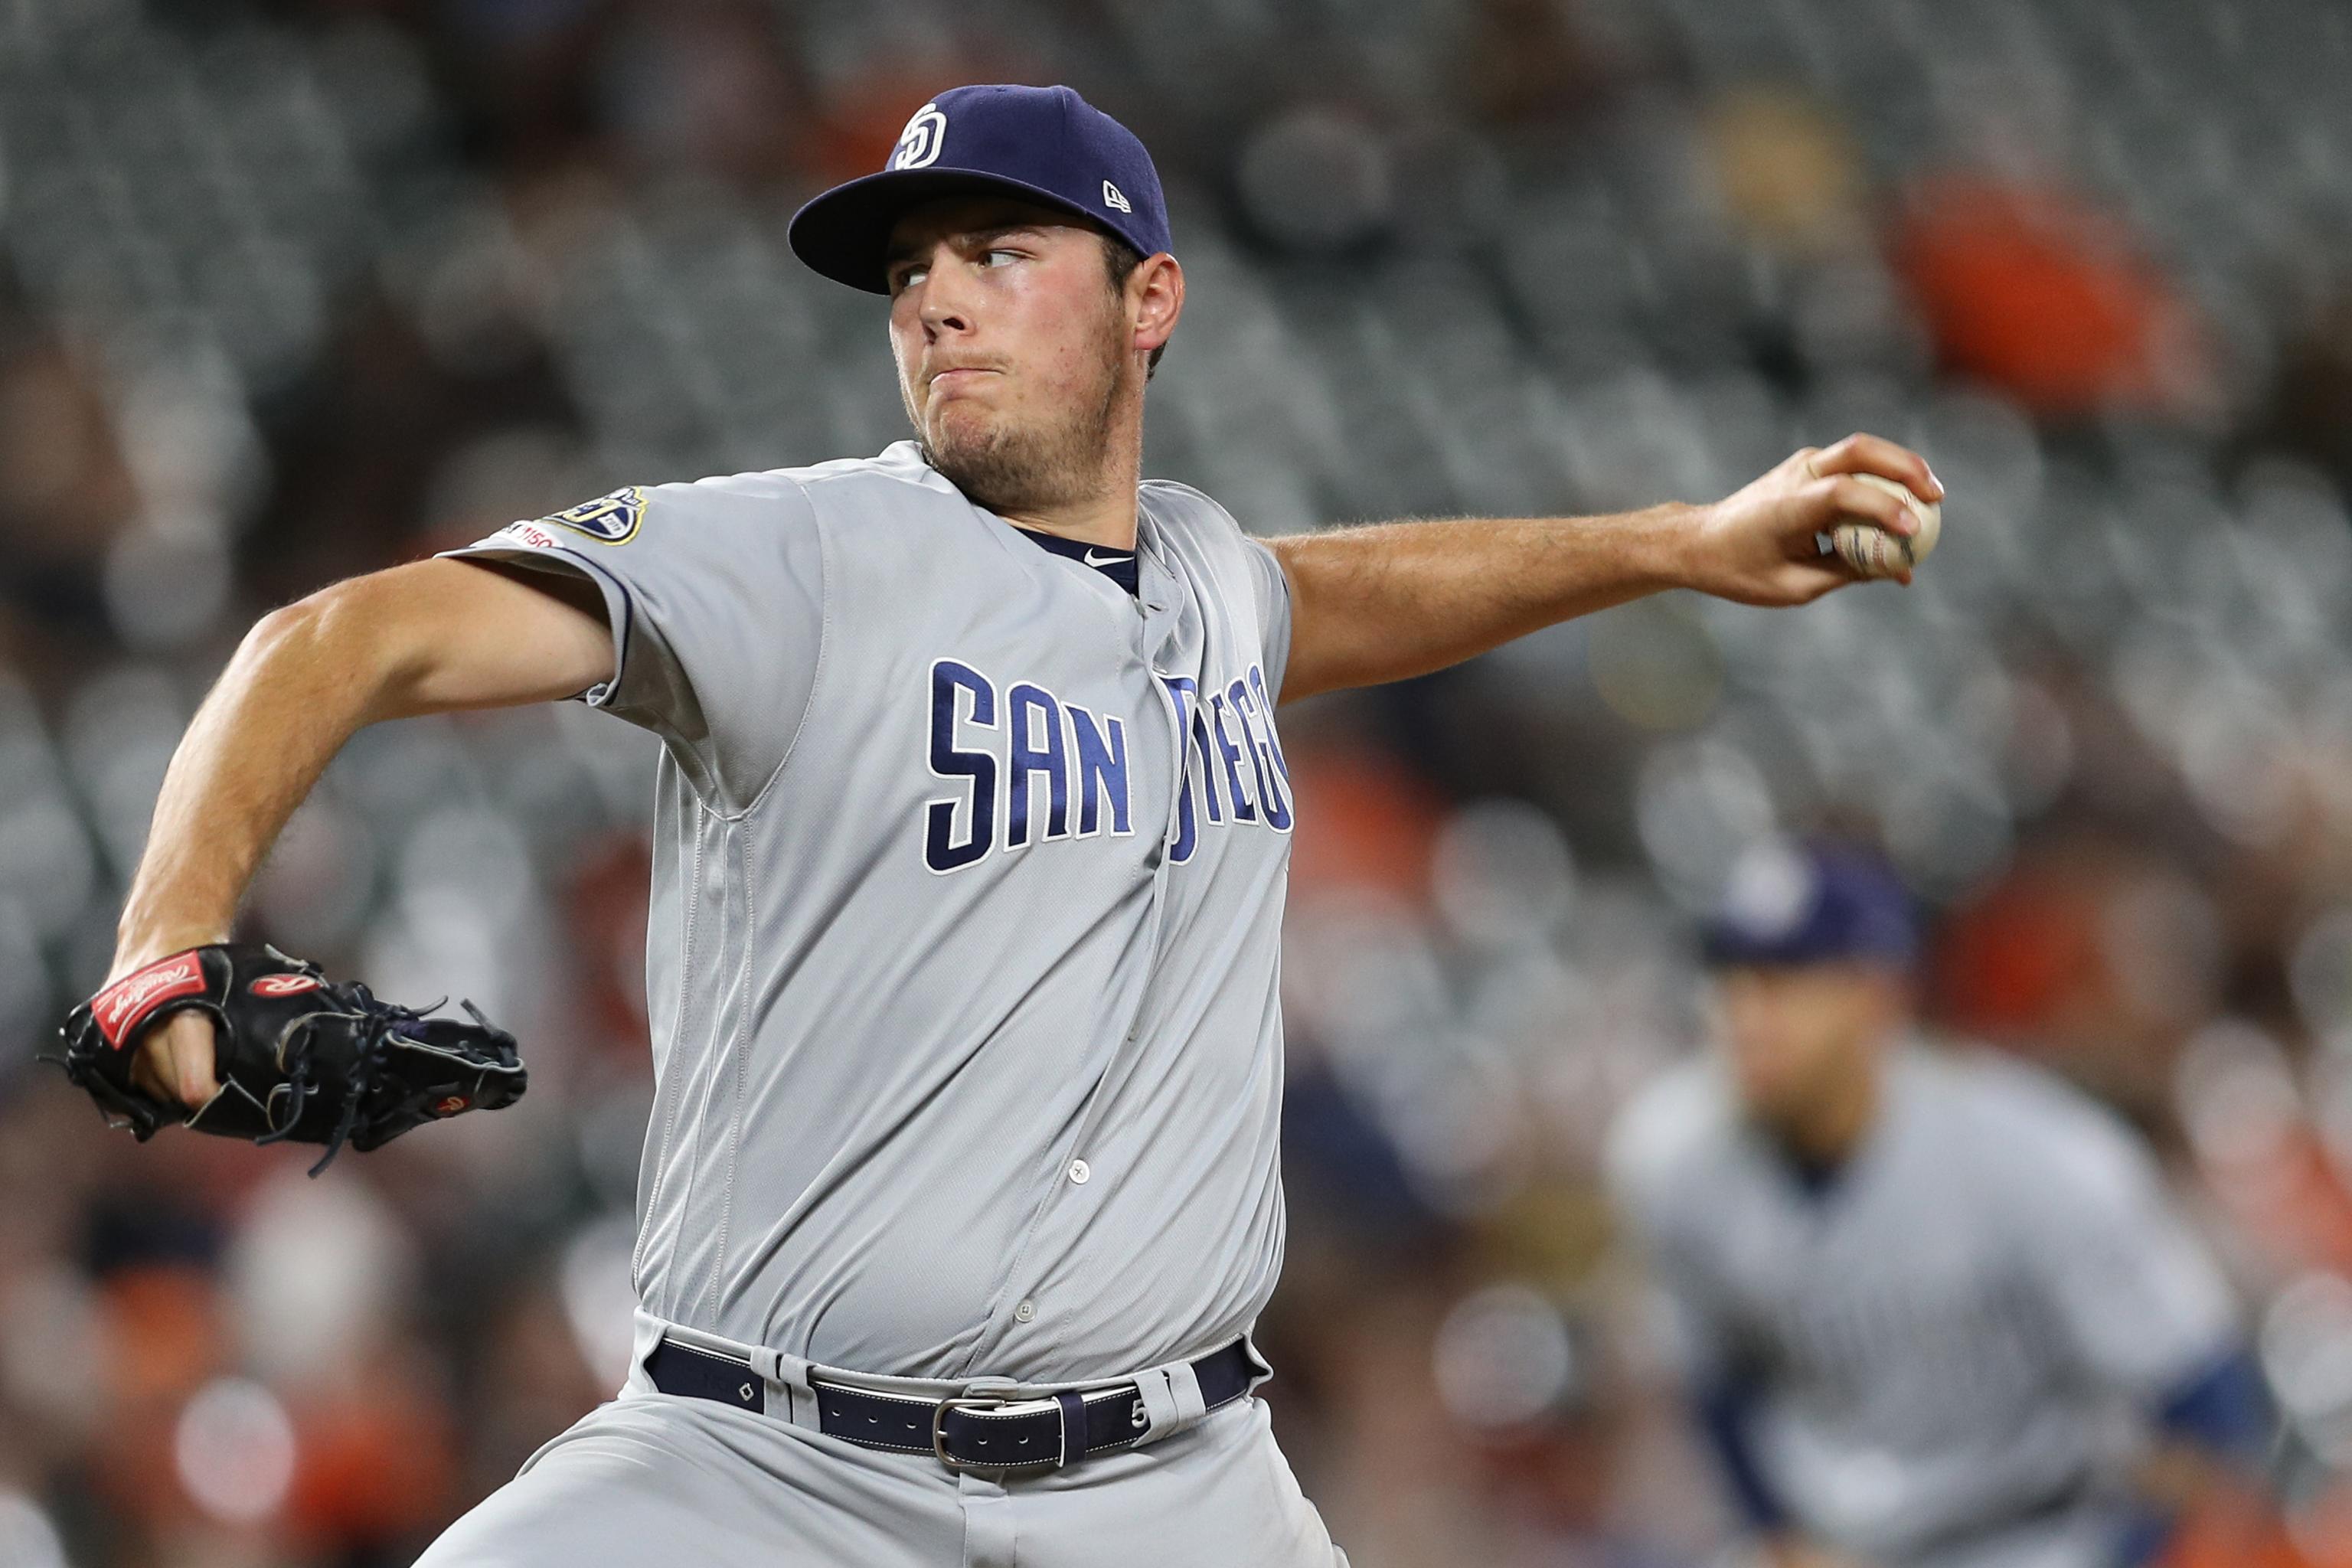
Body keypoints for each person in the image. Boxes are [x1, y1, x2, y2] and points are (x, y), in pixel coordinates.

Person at [103, 84, 1938, 1566]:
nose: (935, 296)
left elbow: (1345, 593)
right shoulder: (808, 553)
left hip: (1177, 1481)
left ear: (1150, 300)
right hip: (763, 1472)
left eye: (996, 248)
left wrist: (1678, 544)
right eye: (909, 269)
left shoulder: (1211, 579)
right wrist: (162, 939)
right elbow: (338, 636)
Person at [1606, 841, 2276, 1568]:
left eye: (1787, 978)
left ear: (1877, 994)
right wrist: (1778, 1536)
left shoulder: (2036, 1155)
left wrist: (2135, 1548)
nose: (1746, 1012)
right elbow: (1718, 1387)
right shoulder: (1670, 1159)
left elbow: (2206, 1398)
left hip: (2040, 1534)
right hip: (1840, 1547)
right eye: (1730, 977)